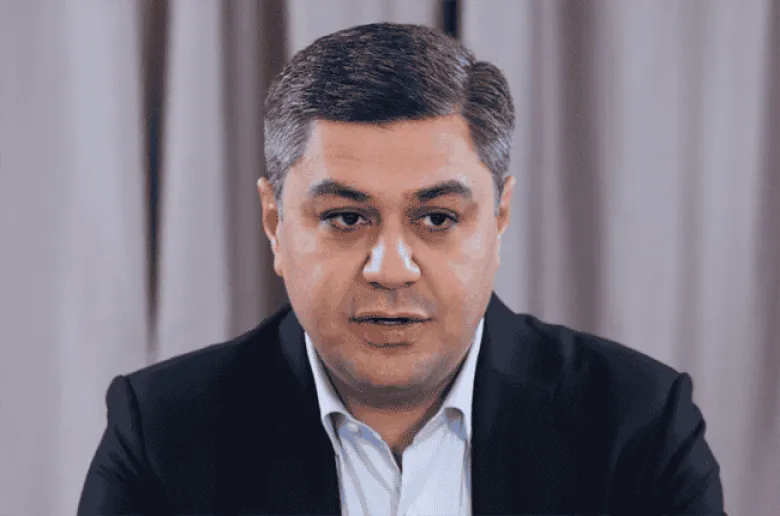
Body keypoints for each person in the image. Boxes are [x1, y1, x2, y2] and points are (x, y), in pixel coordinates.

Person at [77, 22, 724, 515]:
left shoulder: (639, 424)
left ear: (498, 219)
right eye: (346, 218)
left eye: (436, 218)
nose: (390, 270)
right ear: (275, 223)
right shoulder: (162, 433)